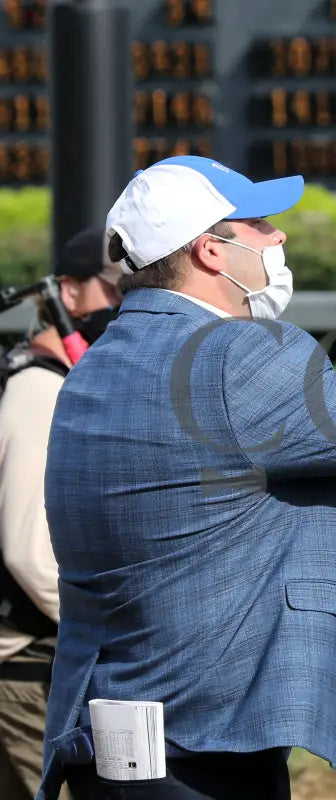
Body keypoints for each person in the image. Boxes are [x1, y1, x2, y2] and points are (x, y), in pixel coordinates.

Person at [36, 156, 336, 800]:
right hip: (208, 751)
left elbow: (212, 493)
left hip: (110, 743)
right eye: (262, 223)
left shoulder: (95, 364)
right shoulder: (238, 354)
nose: (280, 237)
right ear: (212, 251)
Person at [0, 226, 121, 800]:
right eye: (113, 291)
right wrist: (118, 630)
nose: (127, 305)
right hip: (26, 670)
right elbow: (30, 554)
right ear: (67, 294)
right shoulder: (38, 390)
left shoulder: (60, 384)